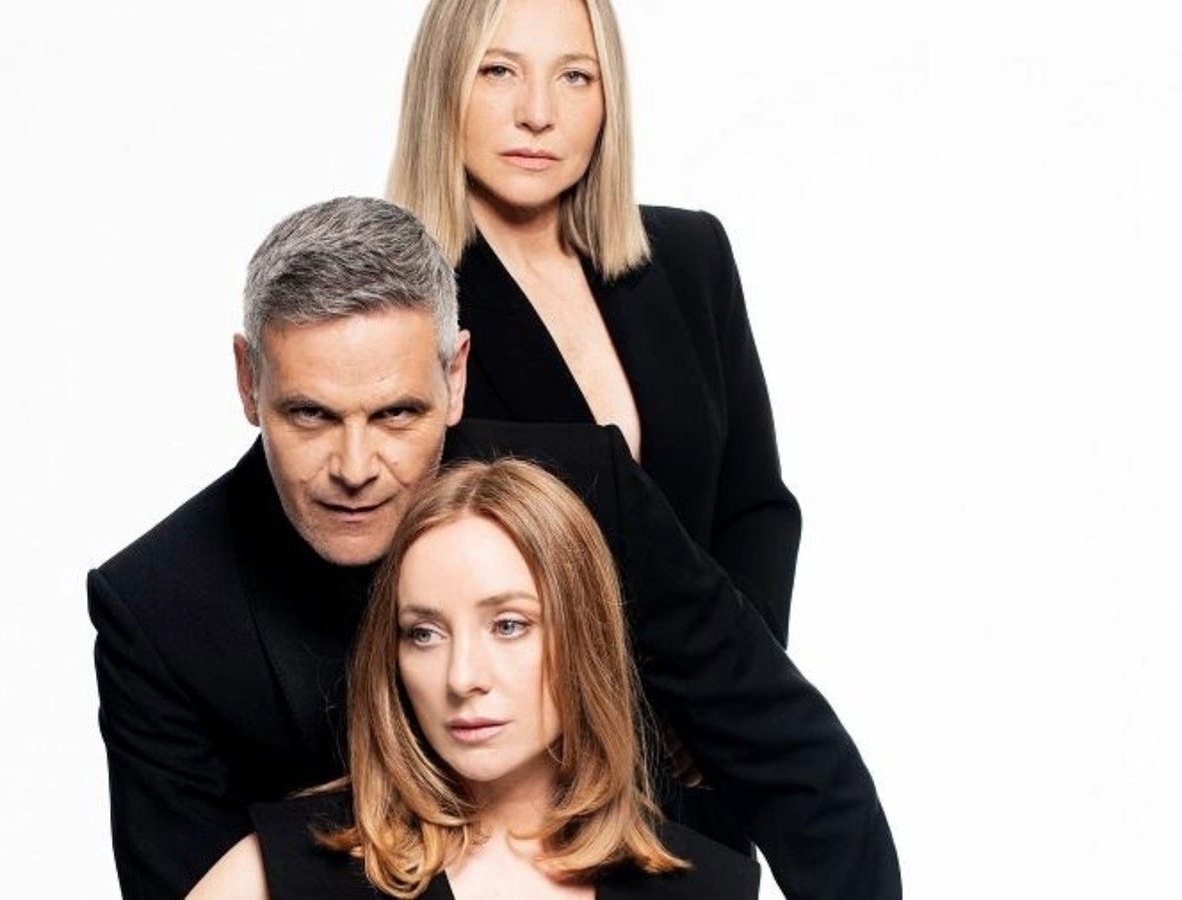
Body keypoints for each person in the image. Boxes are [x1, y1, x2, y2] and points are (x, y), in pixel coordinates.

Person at [89, 196, 897, 900]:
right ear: (247, 381)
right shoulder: (159, 608)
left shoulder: (583, 488)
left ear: (456, 376)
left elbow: (788, 756)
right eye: (310, 415)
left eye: (397, 414)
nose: (355, 468)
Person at [388, 0, 800, 647]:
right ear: (443, 81)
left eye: (575, 76)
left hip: (718, 689)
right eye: (499, 71)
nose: (538, 113)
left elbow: (755, 507)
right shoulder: (394, 299)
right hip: (519, 700)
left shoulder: (691, 256)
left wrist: (743, 678)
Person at [188, 459, 761, 899]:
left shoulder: (710, 887)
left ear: (584, 636)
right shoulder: (279, 874)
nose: (462, 678)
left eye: (509, 625)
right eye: (423, 633)